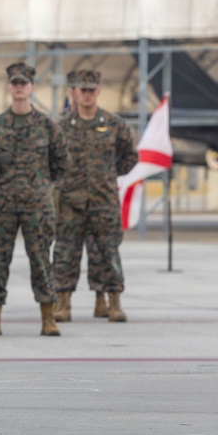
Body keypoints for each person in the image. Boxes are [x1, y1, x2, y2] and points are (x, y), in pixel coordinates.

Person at [0, 63, 70, 336]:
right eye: (14, 83)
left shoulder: (46, 126)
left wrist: (42, 185)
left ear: (31, 88)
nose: (19, 88)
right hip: (3, 205)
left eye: (23, 83)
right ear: (9, 87)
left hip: (37, 206)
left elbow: (62, 162)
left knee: (41, 261)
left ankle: (47, 317)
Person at [53, 69, 137, 322]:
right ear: (74, 92)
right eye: (83, 90)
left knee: (108, 253)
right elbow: (51, 159)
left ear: (98, 92)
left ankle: (111, 302)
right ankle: (63, 302)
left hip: (104, 201)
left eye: (91, 90)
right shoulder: (61, 127)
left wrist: (109, 175)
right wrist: (63, 182)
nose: (87, 95)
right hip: (70, 202)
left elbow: (131, 156)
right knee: (66, 253)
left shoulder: (114, 124)